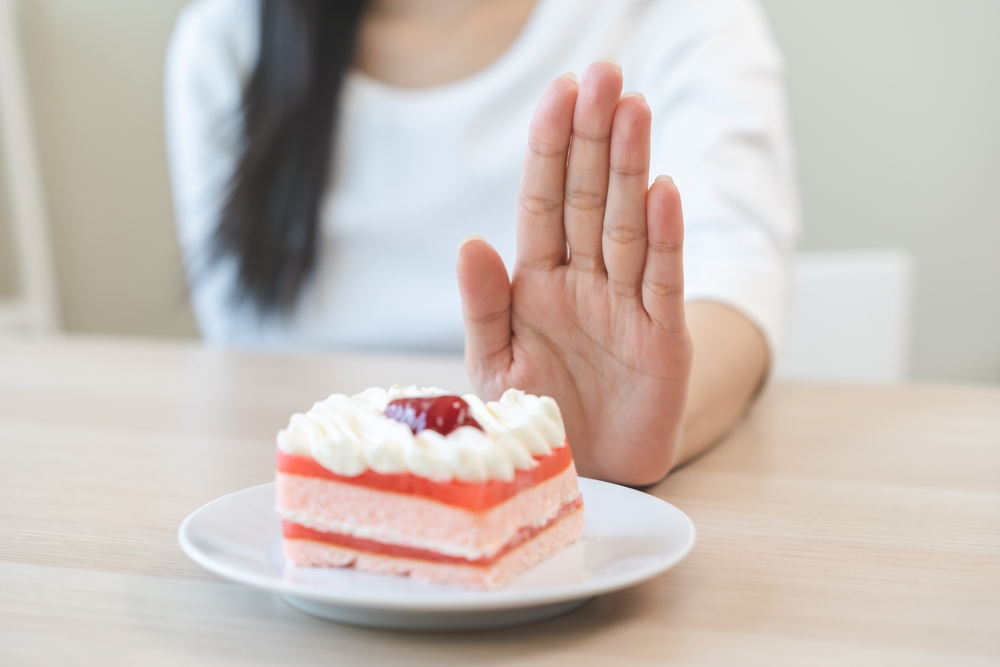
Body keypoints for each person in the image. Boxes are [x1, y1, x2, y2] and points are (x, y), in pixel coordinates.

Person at [165, 0, 798, 485]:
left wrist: (634, 421)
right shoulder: (230, 39)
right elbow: (239, 348)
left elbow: (737, 282)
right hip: (300, 541)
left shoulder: (675, 15)